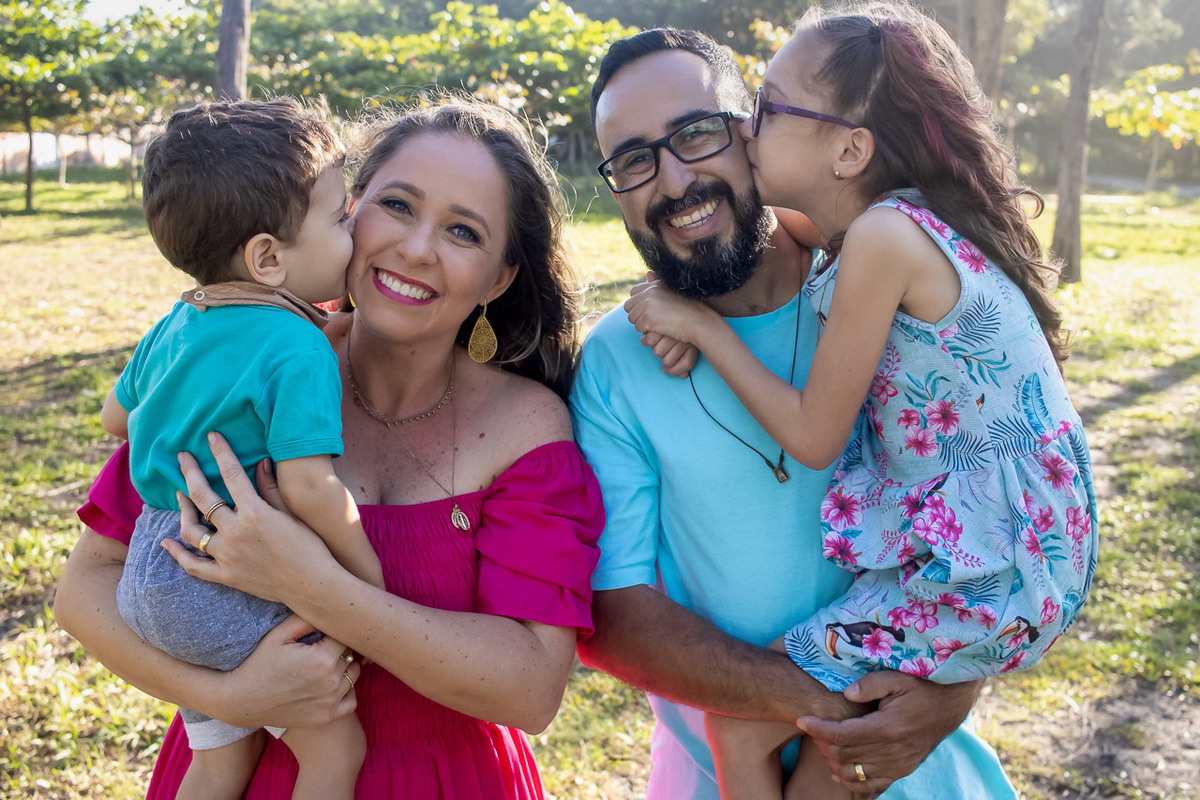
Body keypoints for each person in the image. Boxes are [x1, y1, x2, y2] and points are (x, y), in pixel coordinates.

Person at [55, 95, 604, 799]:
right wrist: (230, 698)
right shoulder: (244, 368)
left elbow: (530, 691)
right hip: (242, 770)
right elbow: (83, 590)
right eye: (397, 206)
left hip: (449, 779)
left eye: (464, 232)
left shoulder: (531, 429)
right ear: (347, 210)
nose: (415, 248)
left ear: (499, 278)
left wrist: (308, 582)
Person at [621, 4, 1099, 798]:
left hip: (990, 569)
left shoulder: (882, 239)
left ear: (849, 149)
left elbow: (813, 435)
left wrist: (702, 328)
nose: (745, 128)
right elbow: (757, 238)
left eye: (769, 108)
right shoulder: (881, 222)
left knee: (740, 731)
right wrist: (672, 287)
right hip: (1020, 549)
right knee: (831, 753)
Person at [97, 96, 383, 800]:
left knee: (221, 762)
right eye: (341, 216)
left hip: (151, 566)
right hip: (219, 583)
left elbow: (115, 417)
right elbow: (312, 487)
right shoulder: (296, 345)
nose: (354, 227)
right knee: (336, 750)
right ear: (268, 257)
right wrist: (368, 586)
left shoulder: (178, 320)